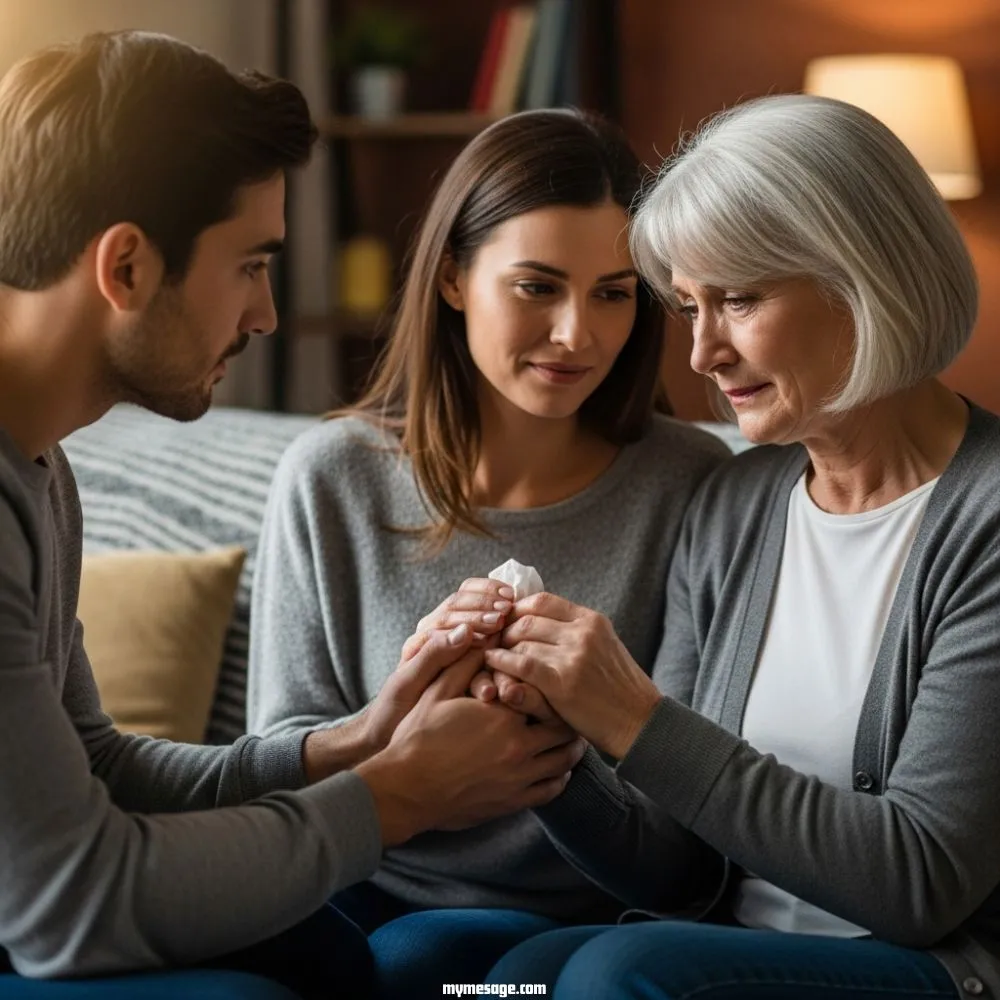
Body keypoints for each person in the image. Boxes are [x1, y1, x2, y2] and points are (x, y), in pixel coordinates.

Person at [0, 31, 586, 1000]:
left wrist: (353, 740)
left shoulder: (36, 463)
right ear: (128, 267)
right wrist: (399, 795)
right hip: (45, 915)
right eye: (251, 264)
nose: (267, 314)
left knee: (311, 952)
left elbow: (93, 767)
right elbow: (72, 907)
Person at [458, 92, 1000, 1000]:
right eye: (689, 307)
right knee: (489, 976)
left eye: (739, 301)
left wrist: (635, 718)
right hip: (729, 950)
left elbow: (920, 883)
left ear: (865, 280)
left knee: (618, 971)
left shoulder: (983, 520)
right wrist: (555, 736)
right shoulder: (735, 504)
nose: (703, 352)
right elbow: (680, 872)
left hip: (932, 968)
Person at [246, 107, 729, 997]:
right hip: (354, 894)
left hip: (577, 927)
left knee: (428, 967)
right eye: (538, 287)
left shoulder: (697, 485)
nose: (577, 334)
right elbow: (276, 770)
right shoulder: (332, 476)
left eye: (614, 293)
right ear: (455, 279)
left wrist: (558, 745)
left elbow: (683, 859)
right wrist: (404, 720)